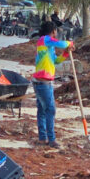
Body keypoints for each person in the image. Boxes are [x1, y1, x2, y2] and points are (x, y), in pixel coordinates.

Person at [33, 20, 72, 148]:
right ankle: (51, 139)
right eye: (55, 31)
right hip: (43, 82)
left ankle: (42, 138)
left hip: (44, 81)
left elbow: (56, 60)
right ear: (53, 31)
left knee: (42, 110)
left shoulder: (48, 46)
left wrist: (66, 53)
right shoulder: (45, 39)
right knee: (50, 110)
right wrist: (70, 43)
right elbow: (61, 43)